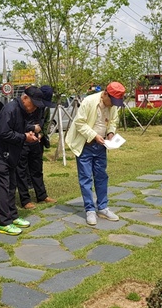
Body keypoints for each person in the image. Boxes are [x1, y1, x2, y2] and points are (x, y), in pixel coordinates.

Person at [65, 81, 125, 226]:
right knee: (85, 178)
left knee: (101, 176)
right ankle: (90, 210)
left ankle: (103, 207)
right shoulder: (89, 101)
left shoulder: (113, 106)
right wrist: (94, 136)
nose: (113, 105)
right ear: (105, 94)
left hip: (101, 146)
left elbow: (113, 121)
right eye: (112, 101)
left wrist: (110, 133)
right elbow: (79, 123)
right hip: (85, 145)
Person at [0, 87, 44, 235]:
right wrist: (25, 137)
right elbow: (4, 133)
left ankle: (13, 216)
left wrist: (29, 132)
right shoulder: (10, 109)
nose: (34, 108)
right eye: (34, 104)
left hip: (10, 154)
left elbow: (19, 127)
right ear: (25, 98)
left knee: (12, 186)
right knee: (3, 188)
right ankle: (4, 223)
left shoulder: (22, 110)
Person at [16, 85, 57, 210]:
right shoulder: (23, 106)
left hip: (36, 141)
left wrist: (40, 134)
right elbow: (20, 124)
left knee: (37, 169)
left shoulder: (42, 108)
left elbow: (42, 121)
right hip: (24, 140)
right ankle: (25, 200)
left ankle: (42, 195)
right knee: (22, 171)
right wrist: (31, 129)